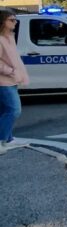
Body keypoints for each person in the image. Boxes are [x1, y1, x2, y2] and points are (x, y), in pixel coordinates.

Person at [0, 8, 30, 149]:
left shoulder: (9, 37)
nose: (15, 23)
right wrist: (10, 71)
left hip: (11, 79)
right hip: (3, 81)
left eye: (15, 19)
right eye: (11, 20)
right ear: (2, 21)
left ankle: (8, 139)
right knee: (14, 110)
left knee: (5, 110)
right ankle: (1, 140)